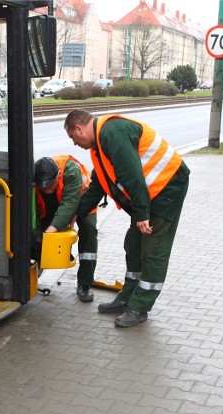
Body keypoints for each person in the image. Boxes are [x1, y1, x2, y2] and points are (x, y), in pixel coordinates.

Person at [64, 109, 189, 327]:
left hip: (167, 189)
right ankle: (128, 297)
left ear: (79, 128)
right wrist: (78, 212)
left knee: (153, 250)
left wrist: (142, 214)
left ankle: (140, 307)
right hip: (149, 196)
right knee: (133, 244)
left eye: (74, 138)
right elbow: (98, 185)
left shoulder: (112, 134)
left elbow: (133, 175)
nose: (75, 144)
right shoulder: (100, 145)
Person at [33, 155, 98, 302]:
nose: (47, 189)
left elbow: (70, 203)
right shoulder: (35, 178)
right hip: (57, 202)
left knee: (88, 231)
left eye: (51, 184)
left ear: (59, 175)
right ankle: (34, 274)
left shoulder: (71, 171)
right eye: (43, 186)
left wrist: (52, 230)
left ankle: (85, 283)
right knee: (36, 236)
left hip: (83, 200)